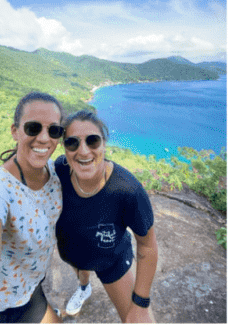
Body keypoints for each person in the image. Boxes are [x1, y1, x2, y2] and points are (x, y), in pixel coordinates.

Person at [53, 110, 158, 323]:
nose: (83, 151)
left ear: (104, 144)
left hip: (111, 261)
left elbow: (147, 245)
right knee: (82, 269)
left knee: (138, 321)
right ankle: (84, 288)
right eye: (72, 143)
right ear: (64, 148)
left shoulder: (128, 191)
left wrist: (141, 303)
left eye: (93, 141)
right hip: (73, 253)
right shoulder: (59, 170)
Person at [0, 92, 65, 323]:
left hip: (34, 283)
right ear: (14, 131)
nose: (43, 138)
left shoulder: (53, 170)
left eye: (54, 130)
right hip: (10, 304)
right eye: (33, 128)